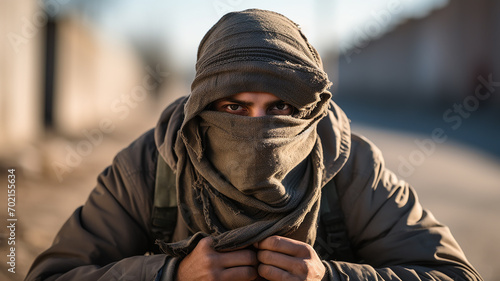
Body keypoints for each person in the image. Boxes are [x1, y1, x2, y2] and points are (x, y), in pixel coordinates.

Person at [26, 9, 483, 281]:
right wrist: (171, 274)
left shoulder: (353, 166)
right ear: (201, 107)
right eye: (235, 107)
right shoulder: (149, 165)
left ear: (309, 111)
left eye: (279, 108)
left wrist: (331, 276)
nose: (258, 127)